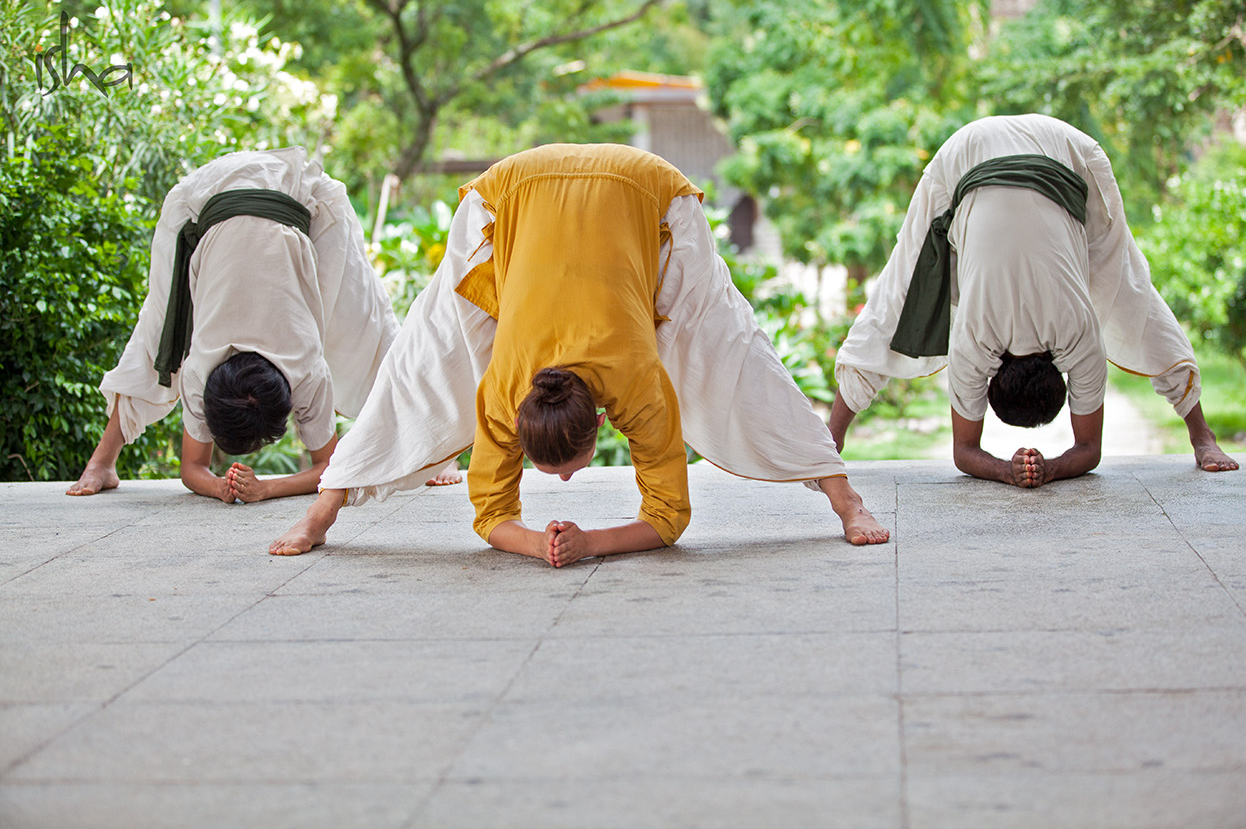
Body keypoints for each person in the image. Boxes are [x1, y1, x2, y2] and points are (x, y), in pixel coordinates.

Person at [270, 143, 889, 564]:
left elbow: (667, 520)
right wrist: (544, 543)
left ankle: (846, 499)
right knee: (422, 357)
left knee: (729, 346)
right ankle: (323, 512)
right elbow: (495, 516)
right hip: (507, 193)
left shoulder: (638, 384)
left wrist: (587, 542)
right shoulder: (505, 388)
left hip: (647, 190)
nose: (567, 480)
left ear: (601, 419)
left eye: (562, 470)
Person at [828, 114, 1239, 488]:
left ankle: (830, 444)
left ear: (1059, 371)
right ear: (993, 375)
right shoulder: (975, 343)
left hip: (1059, 150)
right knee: (898, 293)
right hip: (1009, 151)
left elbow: (1082, 452)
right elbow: (968, 454)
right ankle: (1202, 436)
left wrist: (1036, 469)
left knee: (1131, 289)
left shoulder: (1078, 338)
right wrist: (1022, 470)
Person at [66, 148, 454, 502]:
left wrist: (265, 489)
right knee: (158, 332)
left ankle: (436, 451)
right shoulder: (200, 371)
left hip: (303, 193)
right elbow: (193, 471)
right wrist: (220, 487)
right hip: (207, 199)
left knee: (364, 321)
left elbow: (333, 471)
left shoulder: (305, 370)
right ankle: (102, 461)